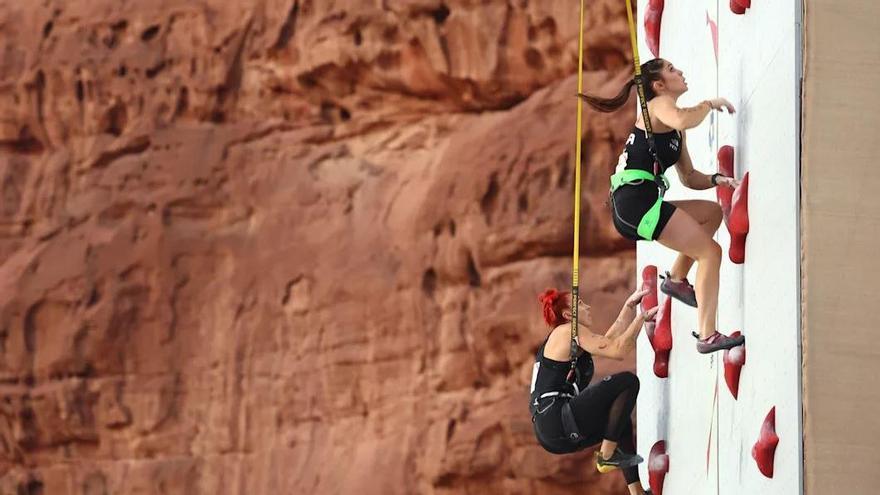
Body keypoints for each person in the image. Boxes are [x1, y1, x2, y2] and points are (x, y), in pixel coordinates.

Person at [578, 58, 744, 353]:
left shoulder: (675, 130)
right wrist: (709, 103)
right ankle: (707, 336)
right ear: (659, 85)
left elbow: (690, 177)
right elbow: (683, 118)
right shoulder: (657, 107)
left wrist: (717, 179)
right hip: (634, 202)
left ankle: (677, 279)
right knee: (710, 253)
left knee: (711, 214)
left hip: (640, 200)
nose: (679, 71)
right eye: (671, 70)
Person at [530, 288, 657, 495]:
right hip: (556, 417)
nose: (587, 307)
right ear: (568, 315)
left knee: (620, 420)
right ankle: (606, 455)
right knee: (627, 382)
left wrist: (629, 308)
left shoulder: (567, 337)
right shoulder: (568, 331)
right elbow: (618, 350)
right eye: (579, 303)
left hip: (552, 431)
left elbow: (608, 341)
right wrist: (641, 319)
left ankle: (637, 493)